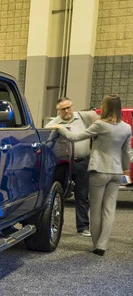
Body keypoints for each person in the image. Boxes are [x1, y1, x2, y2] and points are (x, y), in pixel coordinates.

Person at [50, 94, 131, 256]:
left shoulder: (100, 125)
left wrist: (60, 128)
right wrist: (126, 171)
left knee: (95, 209)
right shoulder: (126, 128)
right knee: (109, 209)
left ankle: (96, 245)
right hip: (116, 173)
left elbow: (75, 137)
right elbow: (126, 153)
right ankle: (103, 244)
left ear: (106, 107)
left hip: (99, 171)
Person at [46, 97, 98, 237]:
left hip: (82, 162)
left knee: (82, 195)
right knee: (58, 194)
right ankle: (56, 226)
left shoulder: (82, 118)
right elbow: (46, 140)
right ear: (58, 110)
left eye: (69, 107)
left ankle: (83, 227)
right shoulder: (54, 124)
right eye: (63, 109)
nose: (67, 110)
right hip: (63, 165)